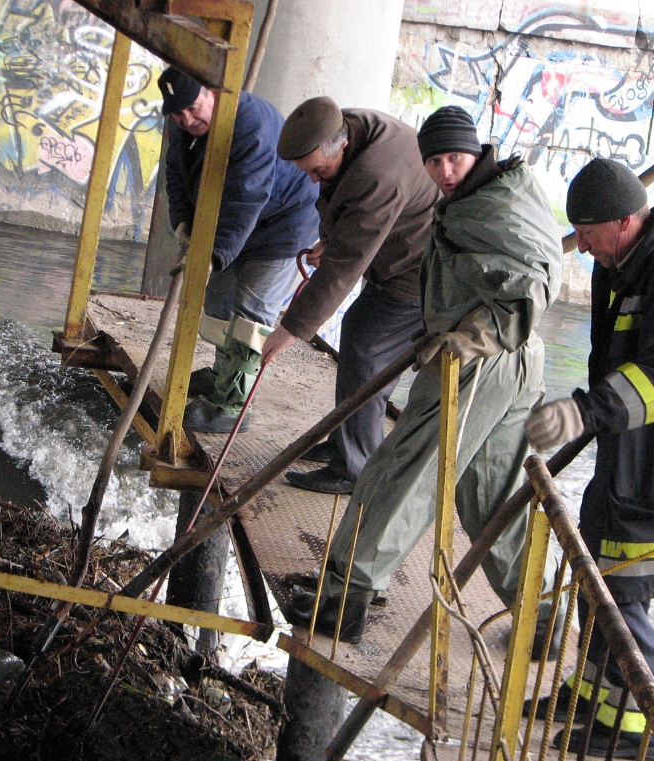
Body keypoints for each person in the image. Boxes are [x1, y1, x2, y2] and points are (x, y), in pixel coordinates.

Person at [284, 105, 565, 647]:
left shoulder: (492, 206)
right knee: (489, 495)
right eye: (433, 162)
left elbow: (529, 292)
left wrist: (464, 341)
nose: (443, 172)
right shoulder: (499, 190)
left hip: (480, 363)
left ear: (476, 150)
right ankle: (543, 612)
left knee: (402, 469)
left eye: (453, 159)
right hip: (518, 365)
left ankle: (347, 597)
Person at [524, 158, 654, 760]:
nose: (584, 248)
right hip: (631, 449)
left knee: (624, 589)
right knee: (597, 566)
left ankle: (633, 727)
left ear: (624, 222)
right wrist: (597, 415)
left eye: (589, 234)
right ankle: (593, 696)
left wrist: (585, 413)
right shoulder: (624, 259)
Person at [261, 96, 438, 494]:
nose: (312, 180)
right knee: (361, 334)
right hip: (397, 244)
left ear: (340, 147)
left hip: (422, 267)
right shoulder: (346, 126)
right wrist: (332, 239)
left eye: (317, 171)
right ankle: (348, 441)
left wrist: (291, 328)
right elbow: (345, 208)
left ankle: (354, 468)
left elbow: (346, 266)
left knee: (368, 349)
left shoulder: (377, 174)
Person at [158, 67, 319, 433]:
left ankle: (233, 406)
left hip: (283, 225)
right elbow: (176, 174)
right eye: (178, 114)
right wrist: (184, 228)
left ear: (214, 91)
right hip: (236, 225)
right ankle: (221, 375)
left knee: (251, 312)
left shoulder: (252, 124)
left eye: (195, 108)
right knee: (216, 303)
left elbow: (247, 198)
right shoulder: (181, 124)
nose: (188, 119)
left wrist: (214, 254)